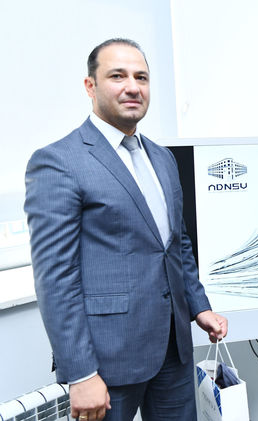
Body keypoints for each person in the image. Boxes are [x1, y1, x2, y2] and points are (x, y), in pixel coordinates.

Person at [24, 38, 228, 421]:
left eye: (141, 77)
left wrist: (199, 306)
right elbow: (55, 277)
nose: (132, 87)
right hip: (107, 359)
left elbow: (176, 243)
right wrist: (81, 373)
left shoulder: (163, 158)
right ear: (90, 86)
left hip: (174, 348)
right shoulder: (58, 162)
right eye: (117, 76)